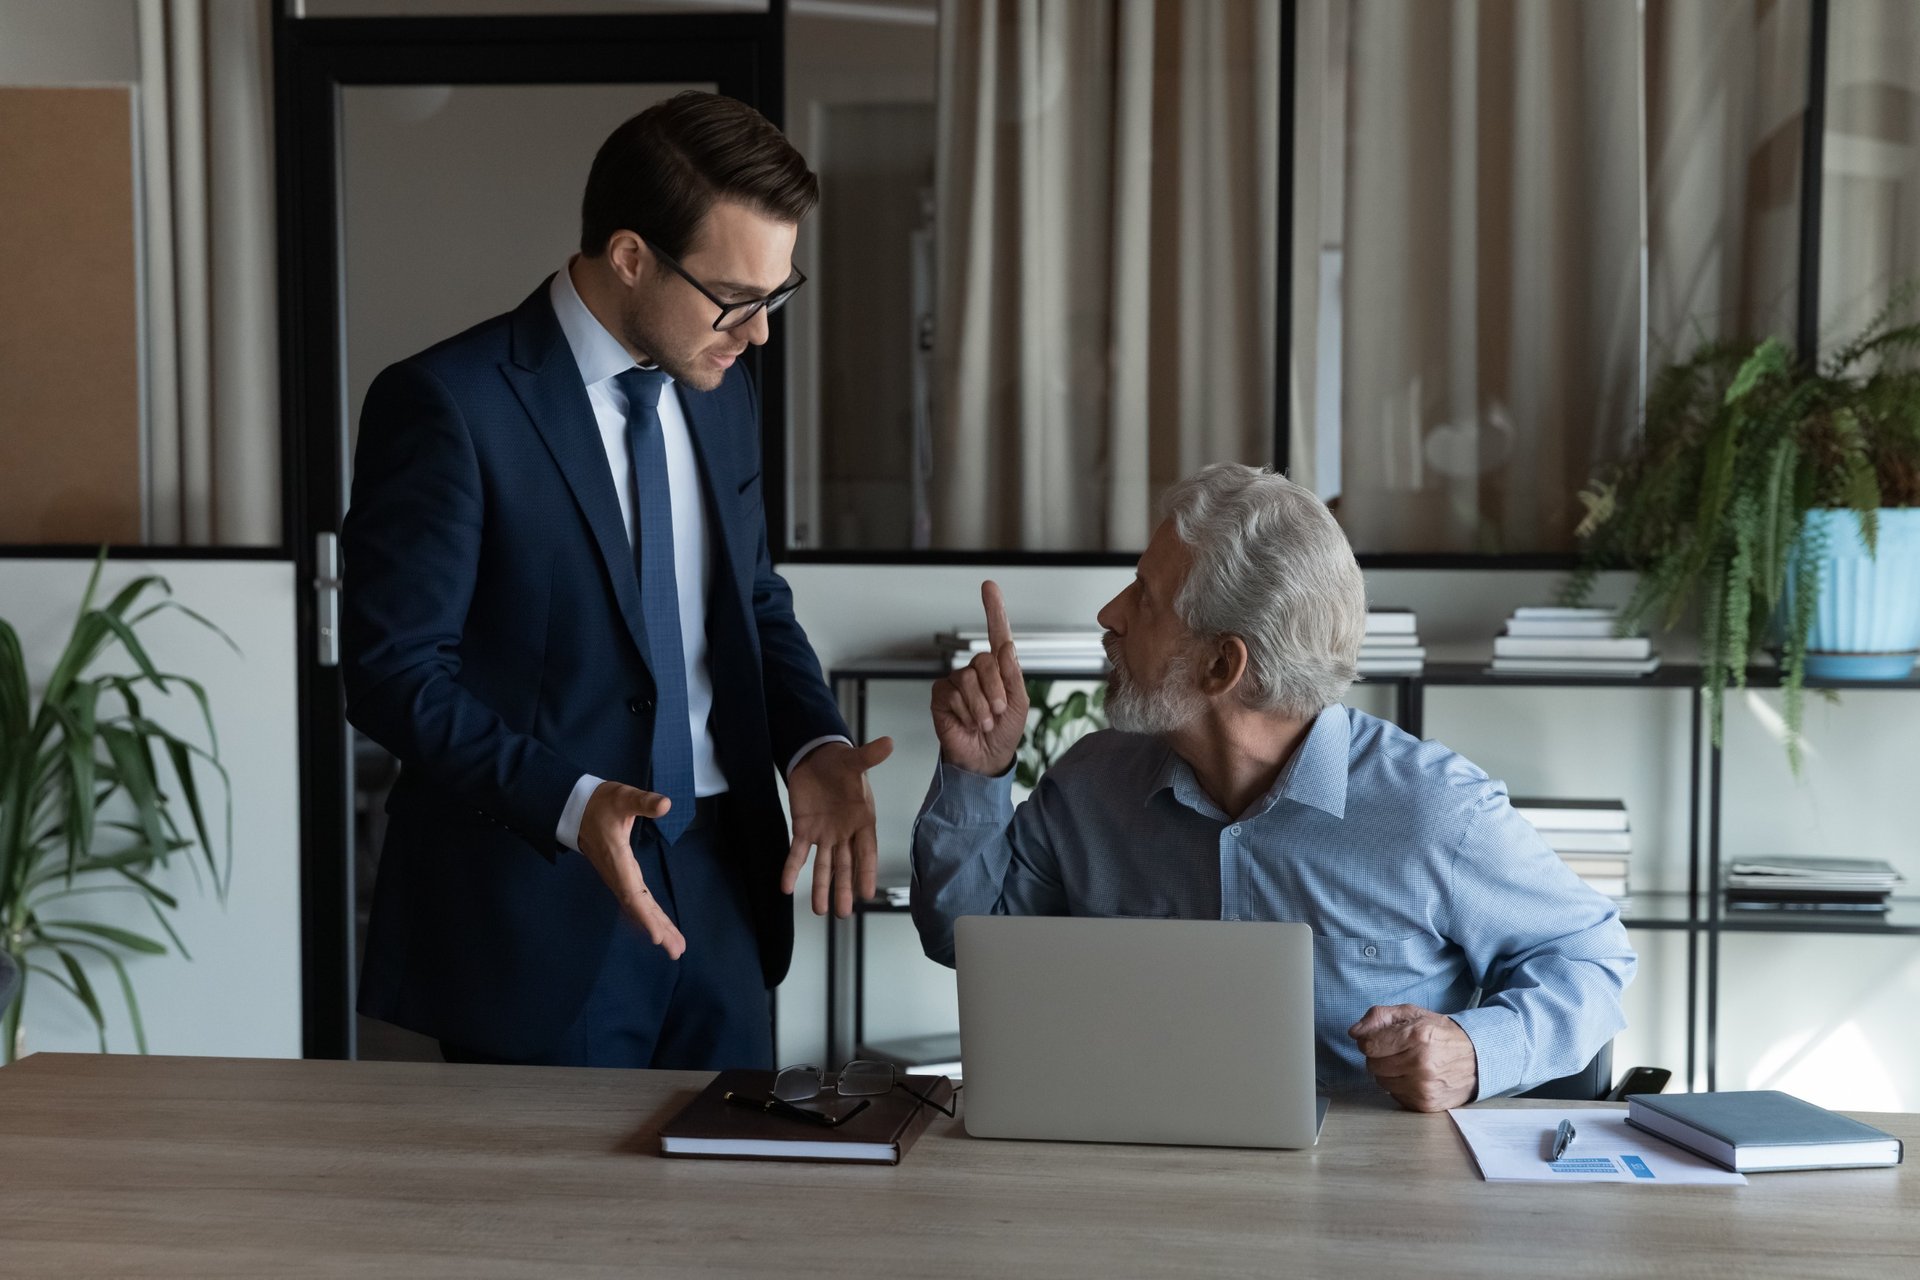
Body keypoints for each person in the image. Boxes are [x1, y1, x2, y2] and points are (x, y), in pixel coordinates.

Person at [344, 91, 890, 1070]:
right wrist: (570, 795)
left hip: (720, 882)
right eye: (736, 298)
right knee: (547, 1224)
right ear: (631, 255)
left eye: (777, 296)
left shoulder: (721, 391)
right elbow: (392, 671)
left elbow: (753, 601)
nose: (759, 333)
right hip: (537, 901)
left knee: (731, 1208)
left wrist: (815, 742)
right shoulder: (447, 404)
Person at [911, 463, 1636, 1111]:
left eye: (1146, 598)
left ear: (1222, 667)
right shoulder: (1091, 784)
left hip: (1369, 1212)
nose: (1111, 616)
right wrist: (977, 772)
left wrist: (1477, 1052)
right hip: (1135, 1183)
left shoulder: (1434, 813)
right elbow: (965, 939)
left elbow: (1593, 956)